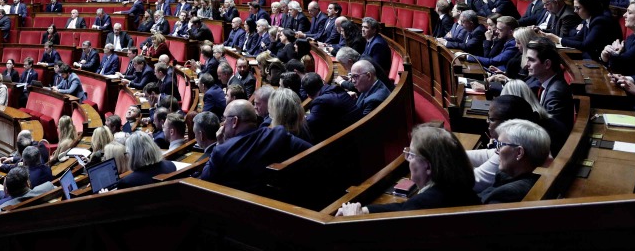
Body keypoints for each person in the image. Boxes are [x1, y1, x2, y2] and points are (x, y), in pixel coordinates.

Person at [335, 125, 477, 214]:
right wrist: (366, 210)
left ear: (427, 166)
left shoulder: (427, 202)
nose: (407, 158)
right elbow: (403, 208)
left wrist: (354, 219)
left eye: (411, 154)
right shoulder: (457, 185)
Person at [198, 100, 311, 191]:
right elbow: (310, 150)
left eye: (225, 118)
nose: (223, 122)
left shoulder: (222, 150)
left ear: (234, 121)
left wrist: (219, 144)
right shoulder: (277, 135)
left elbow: (205, 178)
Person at [479, 119, 550, 203]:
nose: (496, 151)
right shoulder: (514, 178)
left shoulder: (506, 195)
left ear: (519, 153)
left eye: (500, 145)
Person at [524, 40, 574, 146]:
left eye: (531, 60)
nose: (526, 64)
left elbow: (554, 133)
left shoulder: (556, 93)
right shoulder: (550, 84)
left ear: (547, 64)